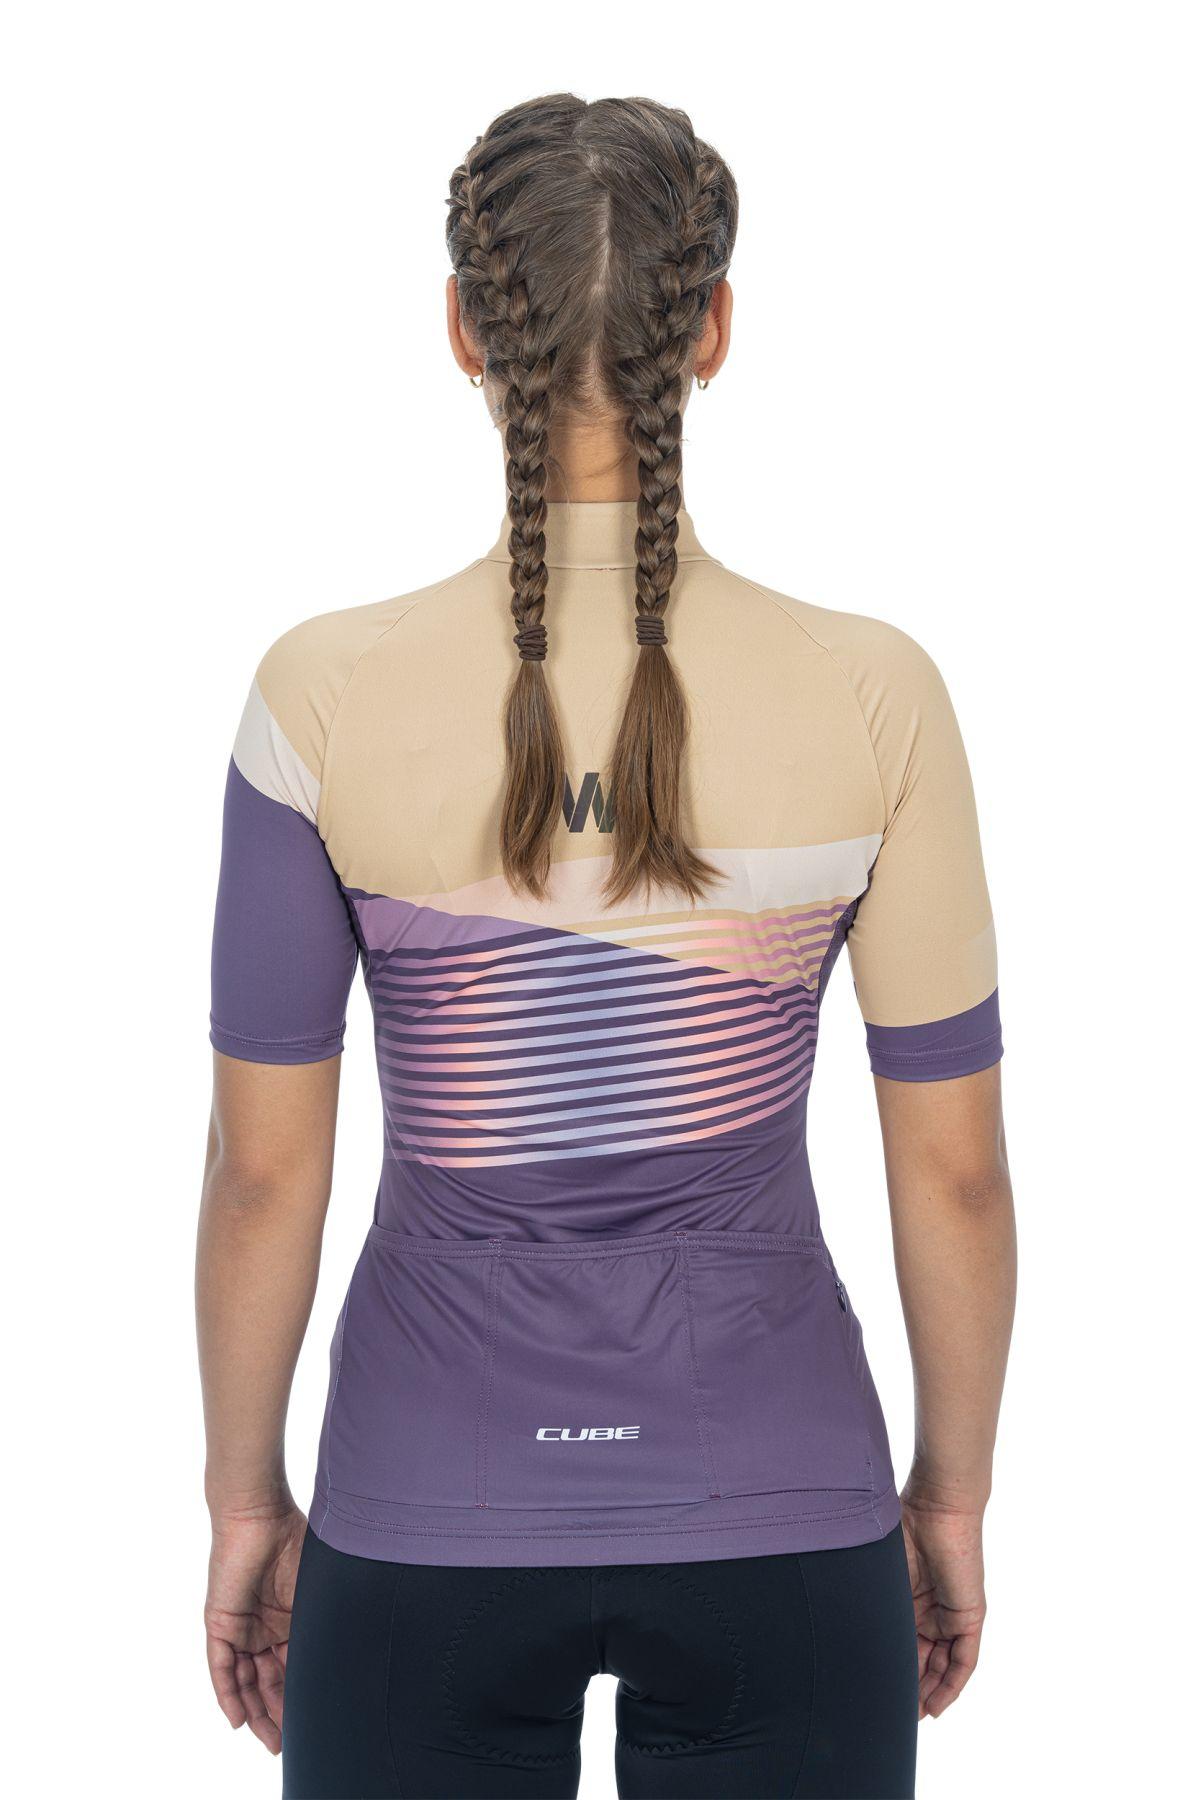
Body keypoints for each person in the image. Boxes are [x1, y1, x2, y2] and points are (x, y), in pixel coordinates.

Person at [197, 93, 1016, 1800]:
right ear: (710, 331)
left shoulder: (318, 698)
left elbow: (264, 1178)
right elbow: (953, 1177)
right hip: (786, 1524)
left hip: (419, 1526)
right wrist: (949, 1499)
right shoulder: (877, 696)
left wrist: (246, 1500)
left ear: (462, 328)